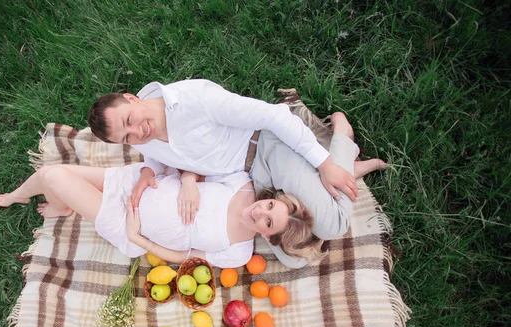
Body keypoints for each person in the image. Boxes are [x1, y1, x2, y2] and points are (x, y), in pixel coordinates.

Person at [87, 82, 383, 266]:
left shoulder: (194, 99)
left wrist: (324, 164)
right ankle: (339, 173)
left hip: (266, 146)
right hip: (250, 176)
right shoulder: (145, 136)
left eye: (129, 120)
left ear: (131, 98)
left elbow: (273, 116)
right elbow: (158, 155)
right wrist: (150, 172)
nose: (137, 132)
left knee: (332, 225)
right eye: (126, 138)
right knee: (290, 254)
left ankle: (341, 146)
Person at [0, 162, 322, 269]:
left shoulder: (238, 252)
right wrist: (190, 183)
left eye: (267, 221)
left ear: (268, 236)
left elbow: (183, 256)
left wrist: (137, 239)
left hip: (128, 222)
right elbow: (192, 164)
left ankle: (42, 199)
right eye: (269, 206)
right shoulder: (244, 185)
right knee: (53, 172)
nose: (259, 211)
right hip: (139, 183)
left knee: (53, 176)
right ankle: (48, 202)